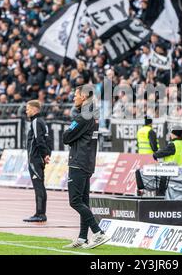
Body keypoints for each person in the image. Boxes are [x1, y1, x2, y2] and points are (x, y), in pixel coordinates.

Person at [62, 84, 110, 249]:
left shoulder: (84, 116)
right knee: (83, 201)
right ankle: (83, 238)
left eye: (75, 95)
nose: (73, 97)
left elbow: (66, 137)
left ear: (83, 96)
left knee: (75, 201)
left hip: (78, 162)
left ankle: (98, 233)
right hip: (88, 161)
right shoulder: (94, 114)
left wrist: (70, 135)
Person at [23, 100, 51, 223]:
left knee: (38, 186)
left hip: (35, 158)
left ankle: (40, 214)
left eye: (28, 108)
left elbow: (39, 140)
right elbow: (47, 140)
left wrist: (44, 154)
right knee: (40, 185)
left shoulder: (35, 122)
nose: (26, 111)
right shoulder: (42, 122)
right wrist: (47, 154)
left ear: (35, 109)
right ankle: (39, 212)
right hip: (39, 158)